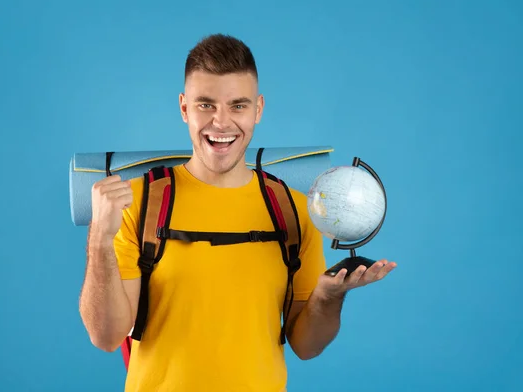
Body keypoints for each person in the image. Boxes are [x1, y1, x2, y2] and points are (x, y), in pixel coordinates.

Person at [79, 33, 397, 391]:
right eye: (206, 105)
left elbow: (307, 346)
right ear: (184, 108)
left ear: (258, 109)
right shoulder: (140, 203)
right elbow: (106, 337)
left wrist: (328, 295)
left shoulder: (293, 209)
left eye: (238, 105)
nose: (221, 122)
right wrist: (99, 241)